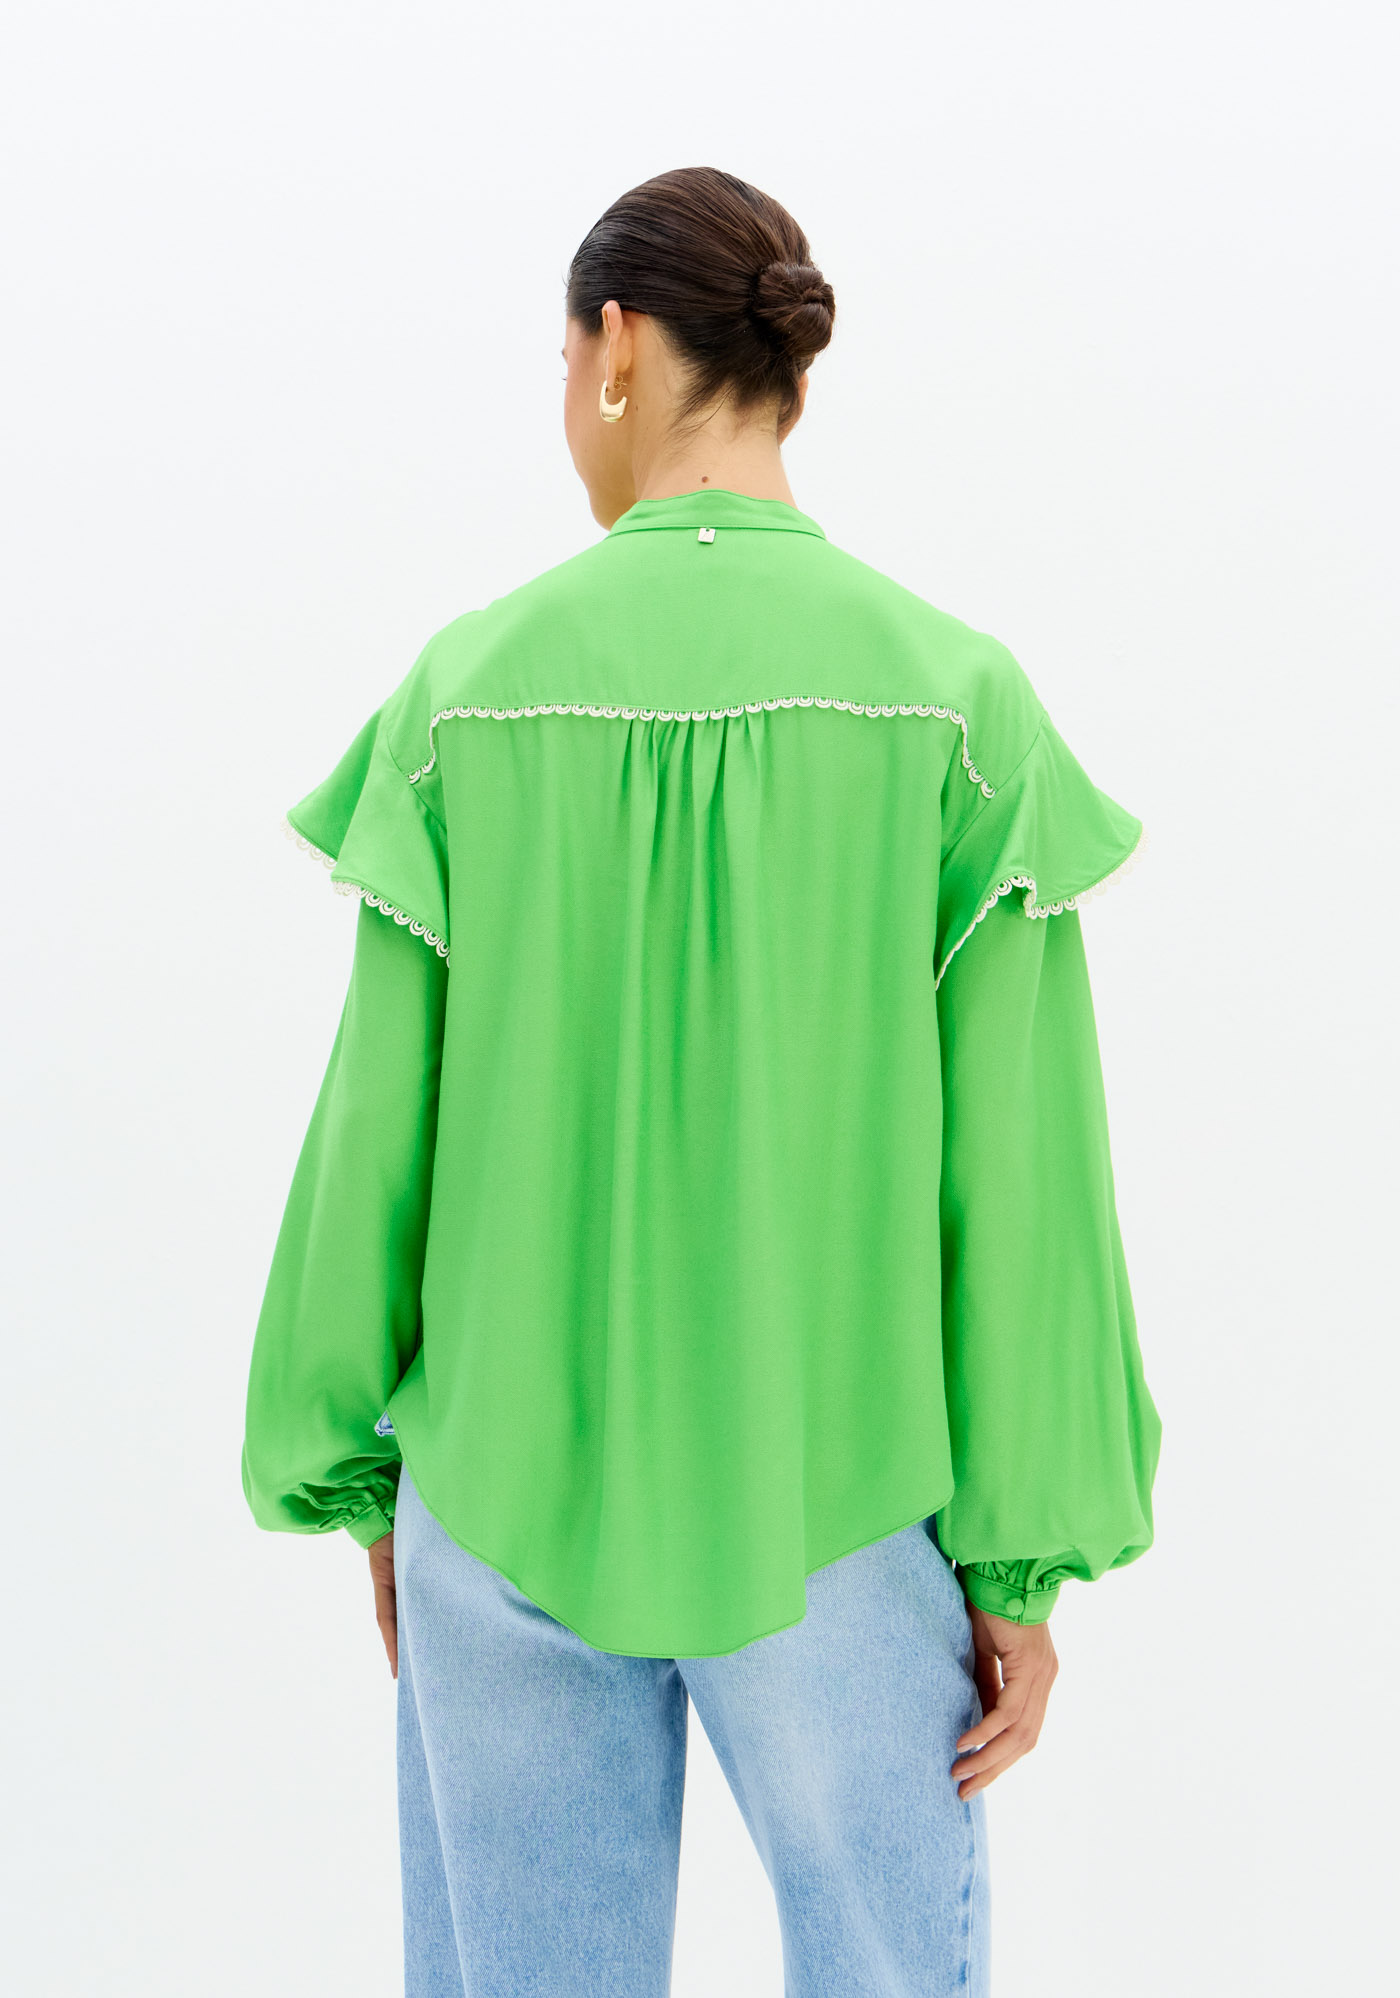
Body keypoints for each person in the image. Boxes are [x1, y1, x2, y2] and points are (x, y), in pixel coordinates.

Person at [243, 166, 1160, 1998]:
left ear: (617, 346)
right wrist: (1018, 1562)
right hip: (842, 1482)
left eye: (563, 364)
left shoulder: (464, 695)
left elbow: (374, 1127)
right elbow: (1024, 1172)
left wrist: (359, 1477)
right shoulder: (957, 703)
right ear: (786, 374)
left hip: (501, 1483)